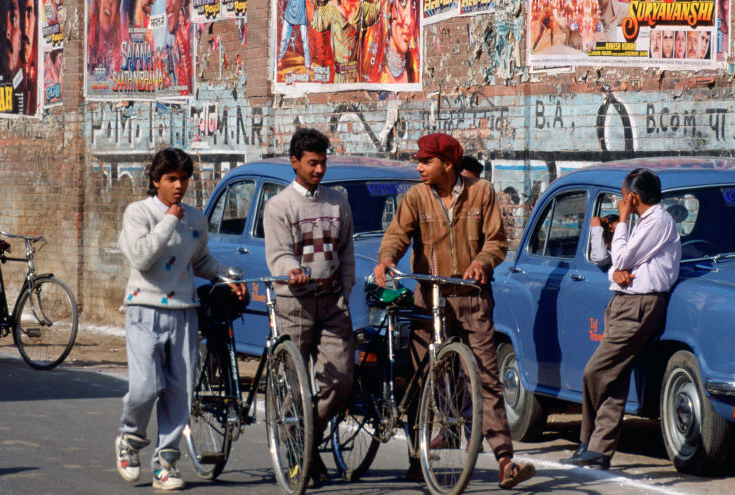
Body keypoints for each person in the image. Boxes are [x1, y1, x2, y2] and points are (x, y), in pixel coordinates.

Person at [374, 133, 536, 489]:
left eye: (426, 161)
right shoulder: (416, 197)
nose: (419, 167)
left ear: (447, 164)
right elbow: (398, 234)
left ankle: (505, 460)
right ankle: (418, 455)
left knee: (487, 379)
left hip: (472, 297)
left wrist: (481, 262)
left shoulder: (482, 192)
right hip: (429, 297)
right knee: (422, 376)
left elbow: (496, 240)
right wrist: (387, 258)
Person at [115, 147, 248, 491]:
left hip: (185, 312)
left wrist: (228, 277)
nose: (179, 186)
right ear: (156, 180)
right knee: (145, 387)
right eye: (171, 179)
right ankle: (129, 441)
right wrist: (170, 219)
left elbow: (200, 261)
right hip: (144, 309)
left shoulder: (196, 218)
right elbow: (142, 257)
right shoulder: (138, 213)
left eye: (184, 179)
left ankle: (167, 462)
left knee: (180, 392)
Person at [567, 168, 681, 470]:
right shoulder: (646, 223)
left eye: (622, 196)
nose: (621, 202)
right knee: (615, 377)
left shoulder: (658, 221)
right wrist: (616, 271)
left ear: (632, 197)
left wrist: (623, 222)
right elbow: (618, 264)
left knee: (595, 371)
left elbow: (622, 258)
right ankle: (599, 450)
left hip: (640, 305)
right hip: (624, 301)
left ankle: (586, 438)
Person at [263, 128, 356, 486]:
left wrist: (345, 291)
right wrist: (292, 271)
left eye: (323, 162)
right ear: (295, 163)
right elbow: (279, 253)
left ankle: (305, 441)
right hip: (295, 303)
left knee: (340, 379)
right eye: (312, 163)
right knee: (295, 383)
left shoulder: (337, 201)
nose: (319, 170)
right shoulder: (280, 206)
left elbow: (346, 249)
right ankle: (298, 450)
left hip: (332, 302)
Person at [308, 0, 380, 84]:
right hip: (339, 78)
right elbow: (317, 22)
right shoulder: (332, 7)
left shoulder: (360, 5)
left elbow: (375, 12)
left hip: (355, 77)